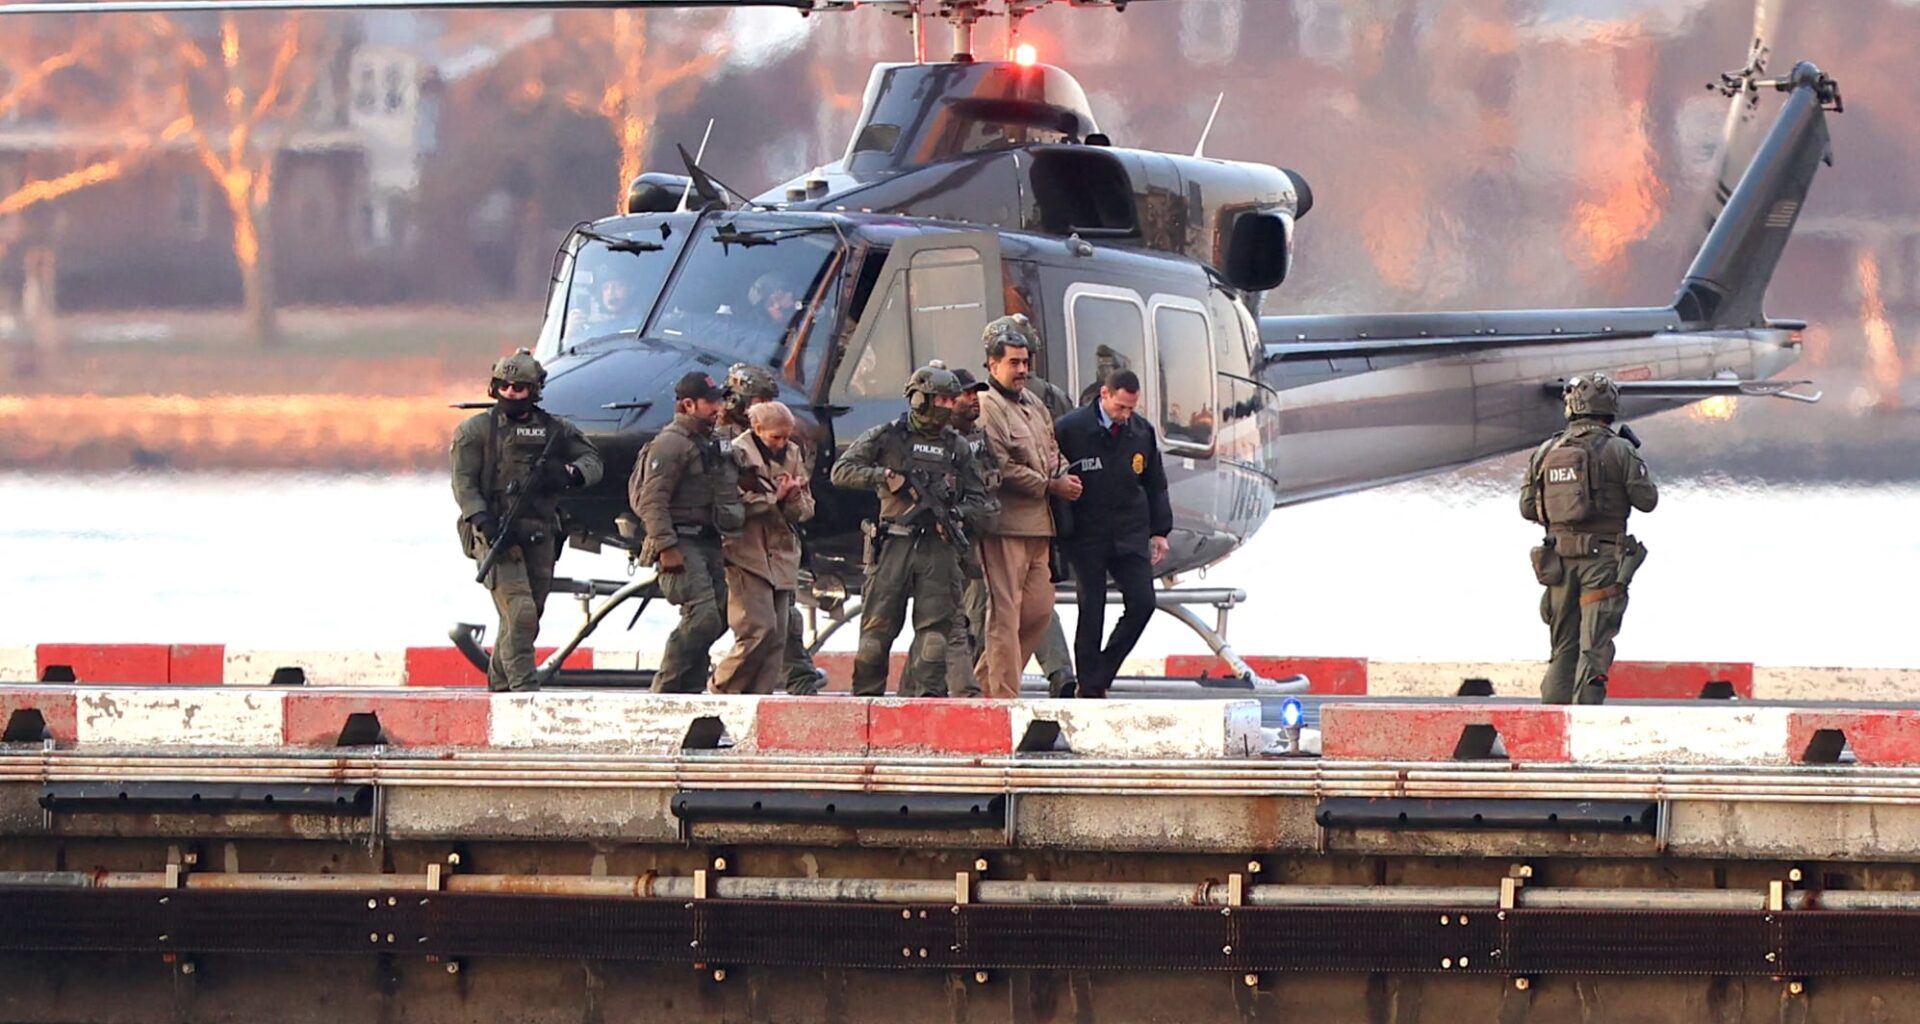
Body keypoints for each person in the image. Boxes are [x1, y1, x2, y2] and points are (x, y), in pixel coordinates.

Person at [829, 365, 991, 697]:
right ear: (919, 399)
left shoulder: (957, 446)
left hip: (938, 547)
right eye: (940, 399)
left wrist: (957, 514)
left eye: (951, 399)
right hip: (893, 545)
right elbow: (841, 471)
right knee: (874, 639)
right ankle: (866, 709)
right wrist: (883, 477)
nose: (947, 406)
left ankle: (925, 706)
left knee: (934, 640)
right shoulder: (886, 436)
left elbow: (979, 499)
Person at [451, 349, 604, 692]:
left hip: (540, 533)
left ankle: (500, 687)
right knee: (519, 612)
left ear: (533, 390)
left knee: (527, 615)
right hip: (495, 533)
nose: (510, 393)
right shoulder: (475, 432)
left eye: (519, 388)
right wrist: (484, 521)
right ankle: (524, 690)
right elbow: (464, 484)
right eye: (504, 386)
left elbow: (592, 460)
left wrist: (568, 474)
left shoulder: (554, 431)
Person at [1519, 373, 1659, 705]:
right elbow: (1647, 501)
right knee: (1593, 647)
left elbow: (1527, 508)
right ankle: (1585, 724)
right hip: (1601, 562)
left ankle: (1552, 724)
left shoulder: (1545, 450)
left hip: (1556, 566)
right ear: (1610, 407)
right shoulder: (1620, 449)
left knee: (1562, 648)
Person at [974, 314, 1079, 699]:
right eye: (1014, 363)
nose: (1022, 370)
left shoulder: (1034, 403)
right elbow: (1002, 465)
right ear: (993, 364)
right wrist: (1051, 485)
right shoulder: (987, 406)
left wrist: (1064, 474)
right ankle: (1003, 700)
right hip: (1006, 526)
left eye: (1025, 362)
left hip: (1041, 526)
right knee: (1005, 615)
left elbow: (1051, 450)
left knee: (1037, 611)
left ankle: (986, 684)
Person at [1054, 370, 1171, 698]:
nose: (1125, 415)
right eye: (1120, 407)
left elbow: (1155, 484)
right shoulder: (1070, 428)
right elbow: (1052, 474)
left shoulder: (1140, 431)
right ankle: (1090, 686)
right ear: (1104, 394)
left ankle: (1102, 671)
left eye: (1131, 409)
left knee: (1143, 602)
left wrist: (1160, 531)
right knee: (1092, 607)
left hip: (1129, 531)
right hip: (1087, 532)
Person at [717, 362, 827, 694]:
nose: (781, 443)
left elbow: (805, 506)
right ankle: (720, 691)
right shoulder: (727, 447)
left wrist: (791, 498)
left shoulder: (792, 450)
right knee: (755, 629)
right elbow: (728, 505)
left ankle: (761, 701)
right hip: (745, 552)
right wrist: (770, 498)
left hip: (780, 550)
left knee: (778, 633)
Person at [631, 372, 744, 694]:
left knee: (719, 616)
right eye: (710, 402)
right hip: (680, 540)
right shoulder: (671, 444)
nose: (718, 407)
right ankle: (664, 690)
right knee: (703, 615)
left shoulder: (711, 441)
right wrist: (667, 548)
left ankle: (690, 693)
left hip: (708, 540)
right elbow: (652, 502)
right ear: (688, 404)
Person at [1025, 372, 1082, 697]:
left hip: (1016, 522)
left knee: (1010, 605)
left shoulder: (991, 403)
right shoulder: (1049, 397)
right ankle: (1059, 672)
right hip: (1040, 518)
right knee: (1036, 604)